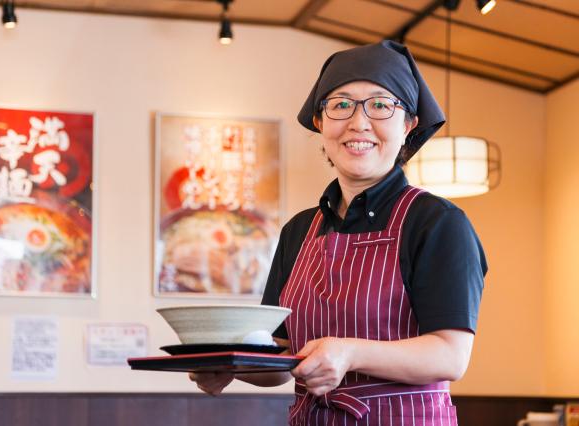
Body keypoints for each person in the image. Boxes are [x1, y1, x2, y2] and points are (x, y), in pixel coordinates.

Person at [190, 40, 487, 425]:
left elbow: (450, 355)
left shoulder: (437, 222)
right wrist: (230, 366)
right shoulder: (299, 230)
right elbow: (281, 360)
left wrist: (349, 353)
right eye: (341, 104)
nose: (358, 122)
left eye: (381, 105)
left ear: (409, 124)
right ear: (320, 122)